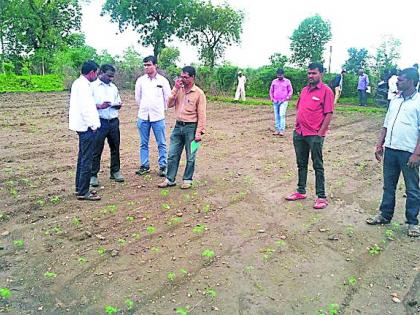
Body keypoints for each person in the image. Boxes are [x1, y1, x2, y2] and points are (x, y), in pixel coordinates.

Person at [366, 67, 420, 237]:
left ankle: (412, 222)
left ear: (411, 81)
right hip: (390, 149)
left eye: (401, 79)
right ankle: (384, 215)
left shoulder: (418, 102)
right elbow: (386, 124)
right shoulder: (395, 100)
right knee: (388, 186)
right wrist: (379, 144)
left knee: (412, 189)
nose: (397, 82)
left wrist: (417, 154)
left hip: (408, 152)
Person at [285, 62, 334, 209]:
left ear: (321, 74)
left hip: (315, 135)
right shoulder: (305, 90)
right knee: (301, 164)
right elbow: (300, 108)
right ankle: (301, 191)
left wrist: (320, 134)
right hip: (300, 133)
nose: (311, 76)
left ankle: (321, 197)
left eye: (314, 73)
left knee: (318, 165)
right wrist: (297, 128)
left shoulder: (326, 91)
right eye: (309, 73)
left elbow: (328, 114)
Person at [158, 66, 206, 189]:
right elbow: (168, 104)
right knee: (172, 154)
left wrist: (199, 132)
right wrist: (175, 89)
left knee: (191, 156)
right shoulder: (179, 90)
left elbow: (202, 115)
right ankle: (170, 179)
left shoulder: (199, 93)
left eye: (186, 77)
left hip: (192, 128)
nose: (183, 79)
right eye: (182, 77)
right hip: (178, 127)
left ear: (193, 77)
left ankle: (187, 180)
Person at [68, 60, 101, 201]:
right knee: (87, 159)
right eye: (97, 73)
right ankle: (83, 192)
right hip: (86, 127)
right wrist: (93, 126)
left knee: (82, 157)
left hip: (81, 127)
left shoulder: (78, 83)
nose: (97, 76)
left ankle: (80, 187)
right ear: (92, 72)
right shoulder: (83, 86)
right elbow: (86, 108)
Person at [134, 55, 171, 177]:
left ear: (155, 65)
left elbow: (168, 98)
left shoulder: (163, 81)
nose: (146, 67)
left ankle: (163, 166)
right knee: (143, 143)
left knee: (161, 142)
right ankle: (144, 165)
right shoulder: (140, 81)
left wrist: (160, 110)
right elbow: (138, 98)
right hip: (143, 116)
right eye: (145, 65)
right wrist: (145, 108)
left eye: (149, 65)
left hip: (158, 117)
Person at [89, 64, 124, 187]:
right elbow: (87, 105)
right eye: (109, 76)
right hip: (100, 121)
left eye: (112, 76)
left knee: (115, 147)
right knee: (96, 149)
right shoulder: (92, 87)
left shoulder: (113, 87)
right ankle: (93, 174)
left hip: (113, 121)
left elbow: (118, 100)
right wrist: (100, 106)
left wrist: (118, 105)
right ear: (101, 73)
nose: (111, 78)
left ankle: (115, 171)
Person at [269, 68, 293, 136]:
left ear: (283, 74)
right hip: (275, 101)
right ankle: (277, 130)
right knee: (276, 116)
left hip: (284, 101)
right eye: (278, 75)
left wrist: (287, 98)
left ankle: (281, 130)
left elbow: (290, 91)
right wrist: (272, 98)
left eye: (280, 75)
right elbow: (271, 90)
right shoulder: (274, 81)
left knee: (281, 115)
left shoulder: (287, 81)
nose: (279, 76)